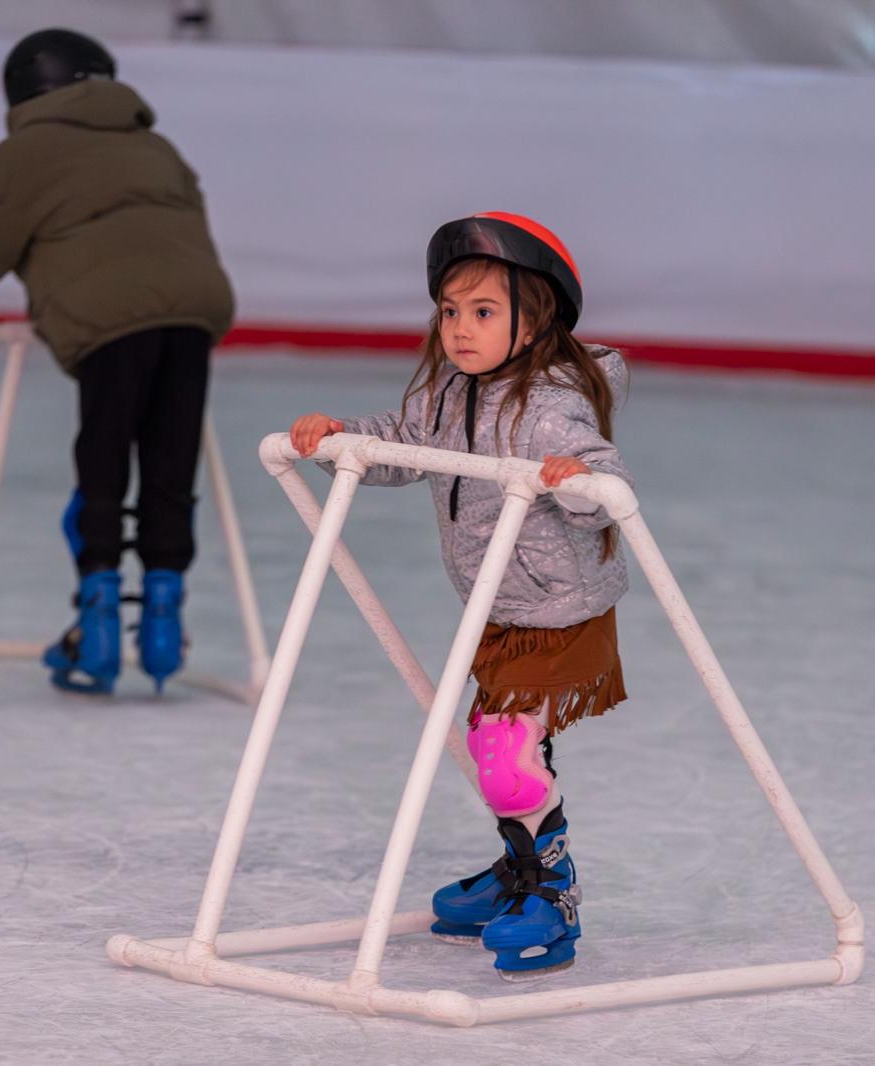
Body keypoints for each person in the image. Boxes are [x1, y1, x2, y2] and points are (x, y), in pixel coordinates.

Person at [290, 212, 632, 980]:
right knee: (504, 751)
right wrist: (343, 439)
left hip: (559, 607)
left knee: (506, 757)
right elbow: (402, 446)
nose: (460, 329)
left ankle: (553, 893)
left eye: (483, 312)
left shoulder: (549, 401)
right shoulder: (449, 391)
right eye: (450, 311)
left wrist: (576, 483)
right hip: (500, 607)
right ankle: (520, 868)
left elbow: (606, 479)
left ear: (534, 318)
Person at [0, 28, 235, 695]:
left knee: (104, 461)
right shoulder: (157, 148)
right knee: (171, 466)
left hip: (108, 319)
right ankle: (163, 623)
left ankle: (96, 627)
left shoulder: (19, 156)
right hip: (193, 313)